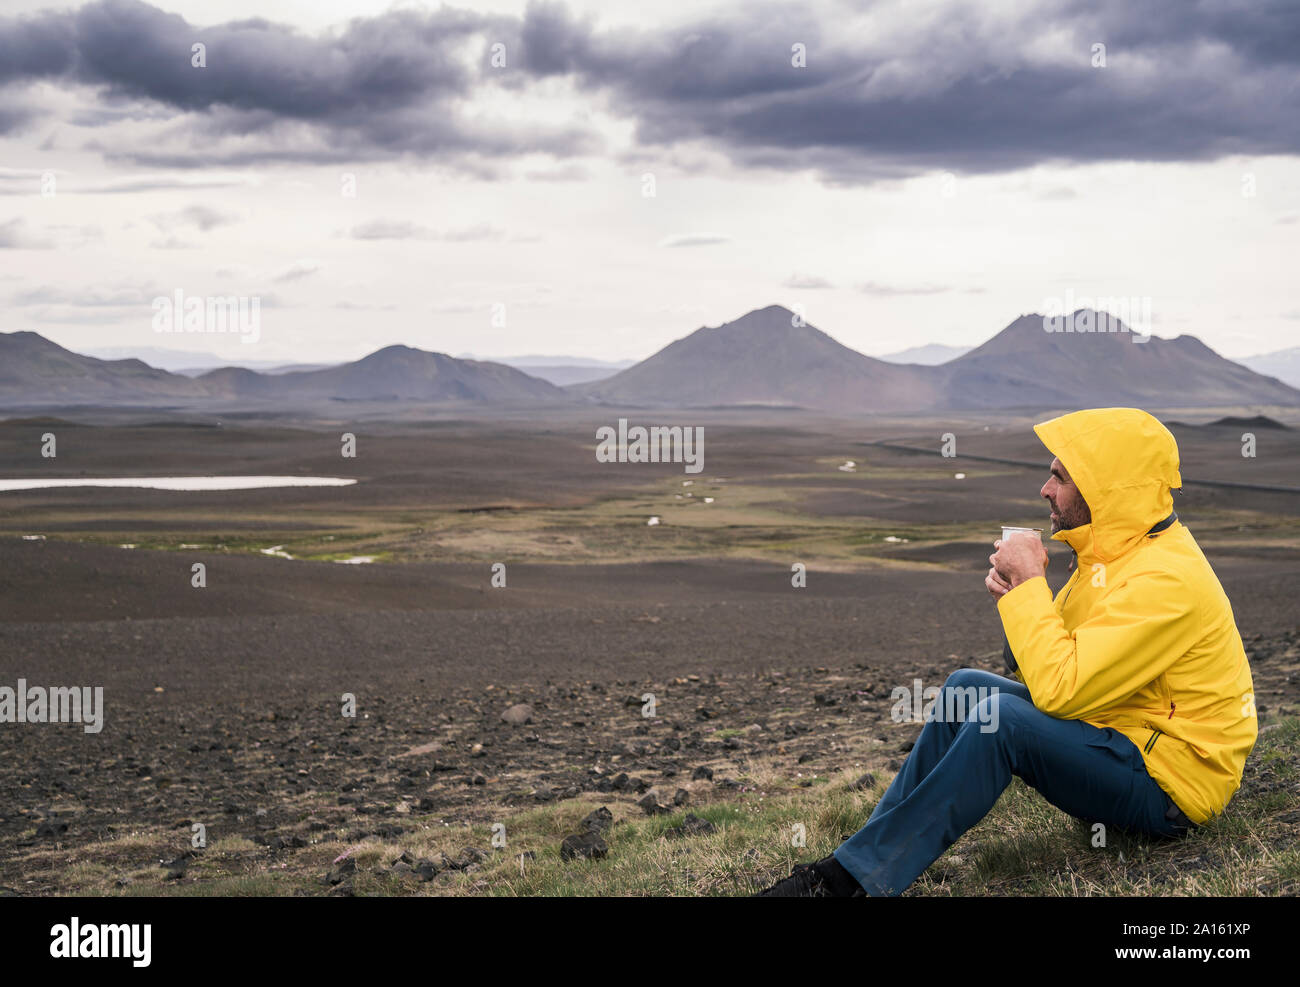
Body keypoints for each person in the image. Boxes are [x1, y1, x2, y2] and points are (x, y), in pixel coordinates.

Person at [757, 407, 1258, 896]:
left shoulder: (1165, 579)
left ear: (1104, 487)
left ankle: (847, 883)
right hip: (1122, 734)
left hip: (1171, 786)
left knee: (1002, 721)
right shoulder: (1113, 557)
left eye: (1060, 477)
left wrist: (1032, 585)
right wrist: (1018, 591)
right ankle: (868, 851)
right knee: (965, 688)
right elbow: (1029, 664)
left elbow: (1060, 691)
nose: (1045, 490)